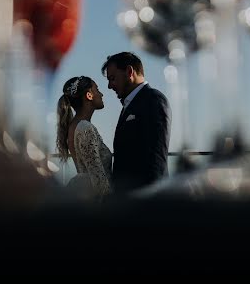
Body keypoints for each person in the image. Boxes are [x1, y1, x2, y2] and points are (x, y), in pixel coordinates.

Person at [102, 52, 170, 193]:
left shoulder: (153, 99)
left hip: (145, 199)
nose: (109, 86)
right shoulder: (128, 105)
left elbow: (156, 157)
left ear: (129, 71)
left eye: (112, 78)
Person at [55, 76, 112, 199]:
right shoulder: (85, 128)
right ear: (89, 95)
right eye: (97, 89)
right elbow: (98, 180)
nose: (101, 94)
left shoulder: (74, 126)